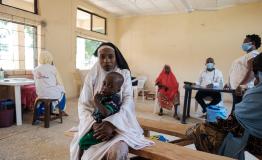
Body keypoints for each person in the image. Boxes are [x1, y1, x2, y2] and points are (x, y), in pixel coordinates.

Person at [70, 42, 153, 160]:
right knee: (85, 151)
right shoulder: (92, 75)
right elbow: (84, 104)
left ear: (116, 57)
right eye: (102, 57)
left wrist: (112, 123)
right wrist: (93, 125)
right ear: (98, 58)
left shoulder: (123, 74)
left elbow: (128, 101)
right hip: (95, 126)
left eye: (110, 56)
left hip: (119, 127)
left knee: (118, 151)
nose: (106, 60)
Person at [187, 53, 262, 160]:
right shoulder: (202, 72)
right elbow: (198, 81)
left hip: (214, 91)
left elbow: (220, 83)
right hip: (204, 89)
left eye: (211, 62)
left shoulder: (218, 72)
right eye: (208, 63)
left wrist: (214, 85)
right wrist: (197, 84)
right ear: (206, 64)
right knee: (198, 96)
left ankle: (207, 108)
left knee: (215, 102)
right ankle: (205, 107)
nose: (209, 64)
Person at [78, 72, 124, 160]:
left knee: (81, 141)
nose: (105, 87)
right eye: (104, 83)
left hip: (103, 130)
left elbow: (105, 113)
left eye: (110, 86)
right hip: (97, 125)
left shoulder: (113, 100)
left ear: (117, 90)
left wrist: (96, 101)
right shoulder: (105, 96)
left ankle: (79, 158)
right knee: (81, 134)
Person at [225, 34, 261, 107]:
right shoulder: (246, 56)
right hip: (236, 88)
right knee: (235, 110)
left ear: (253, 43)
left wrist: (242, 85)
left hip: (242, 89)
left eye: (245, 42)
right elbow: (236, 71)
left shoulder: (253, 54)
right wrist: (228, 83)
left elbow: (252, 72)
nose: (243, 44)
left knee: (238, 112)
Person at [32, 50, 67, 121]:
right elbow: (59, 82)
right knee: (62, 90)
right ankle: (62, 109)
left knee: (45, 95)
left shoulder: (35, 70)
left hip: (40, 93)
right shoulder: (53, 68)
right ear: (50, 58)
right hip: (51, 93)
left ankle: (40, 111)